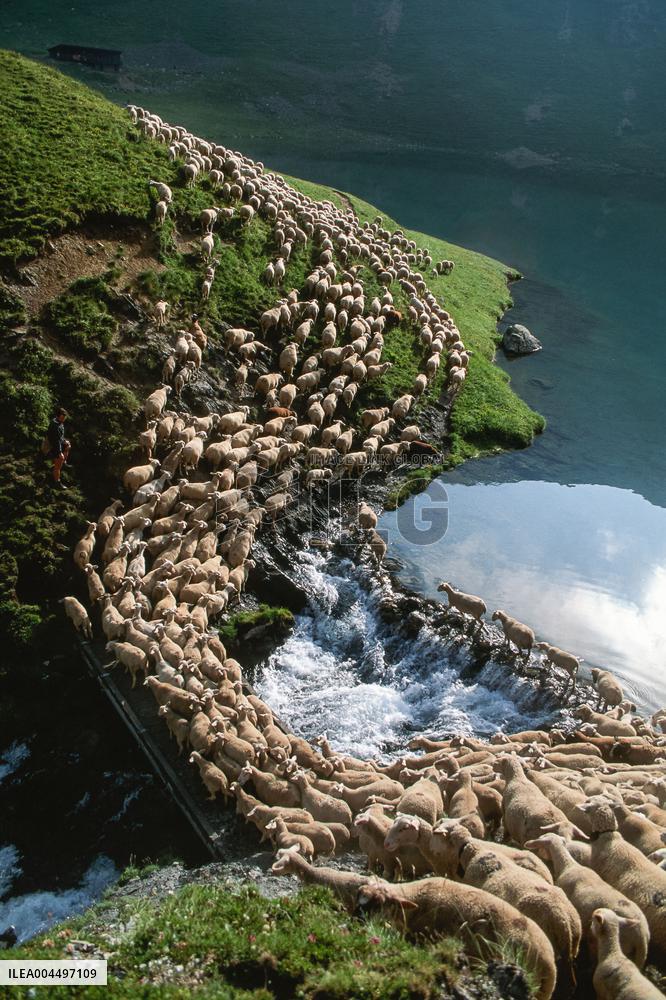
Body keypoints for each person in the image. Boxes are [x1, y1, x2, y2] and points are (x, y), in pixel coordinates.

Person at [46, 407, 71, 489]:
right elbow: (56, 442)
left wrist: (64, 441)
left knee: (68, 445)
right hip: (52, 446)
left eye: (65, 417)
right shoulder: (55, 426)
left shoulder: (60, 422)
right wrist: (60, 453)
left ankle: (63, 462)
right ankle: (57, 482)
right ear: (58, 416)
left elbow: (60, 437)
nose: (64, 419)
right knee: (58, 464)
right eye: (62, 417)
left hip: (58, 443)